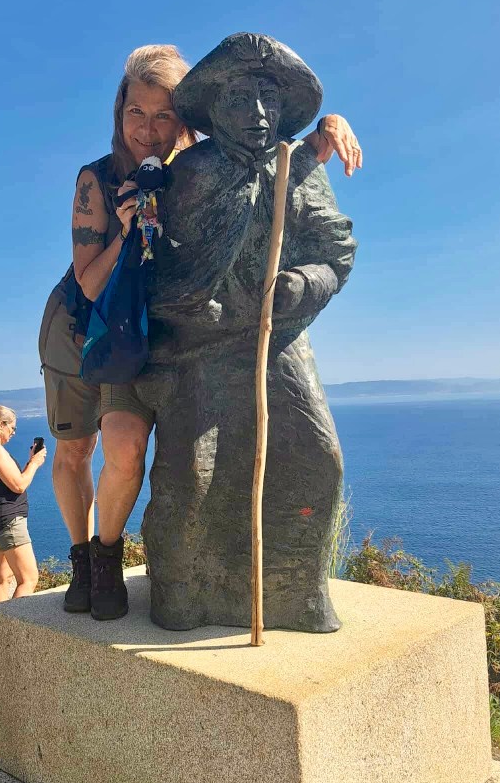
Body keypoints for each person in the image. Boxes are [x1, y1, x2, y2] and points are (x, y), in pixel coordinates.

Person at [38, 43, 363, 621]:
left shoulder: (222, 165)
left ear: (184, 118)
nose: (148, 128)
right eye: (136, 112)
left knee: (311, 456)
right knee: (88, 452)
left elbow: (326, 234)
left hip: (210, 335)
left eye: (163, 114)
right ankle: (104, 565)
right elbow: (111, 279)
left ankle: (289, 592)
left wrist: (300, 283)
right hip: (96, 327)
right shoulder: (136, 178)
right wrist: (136, 235)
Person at [0, 406, 47, 604]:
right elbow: (19, 485)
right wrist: (35, 463)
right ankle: (13, 623)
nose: (13, 432)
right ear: (1, 425)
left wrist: (30, 461)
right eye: (12, 427)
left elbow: (11, 482)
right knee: (28, 579)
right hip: (9, 524)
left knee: (1, 579)